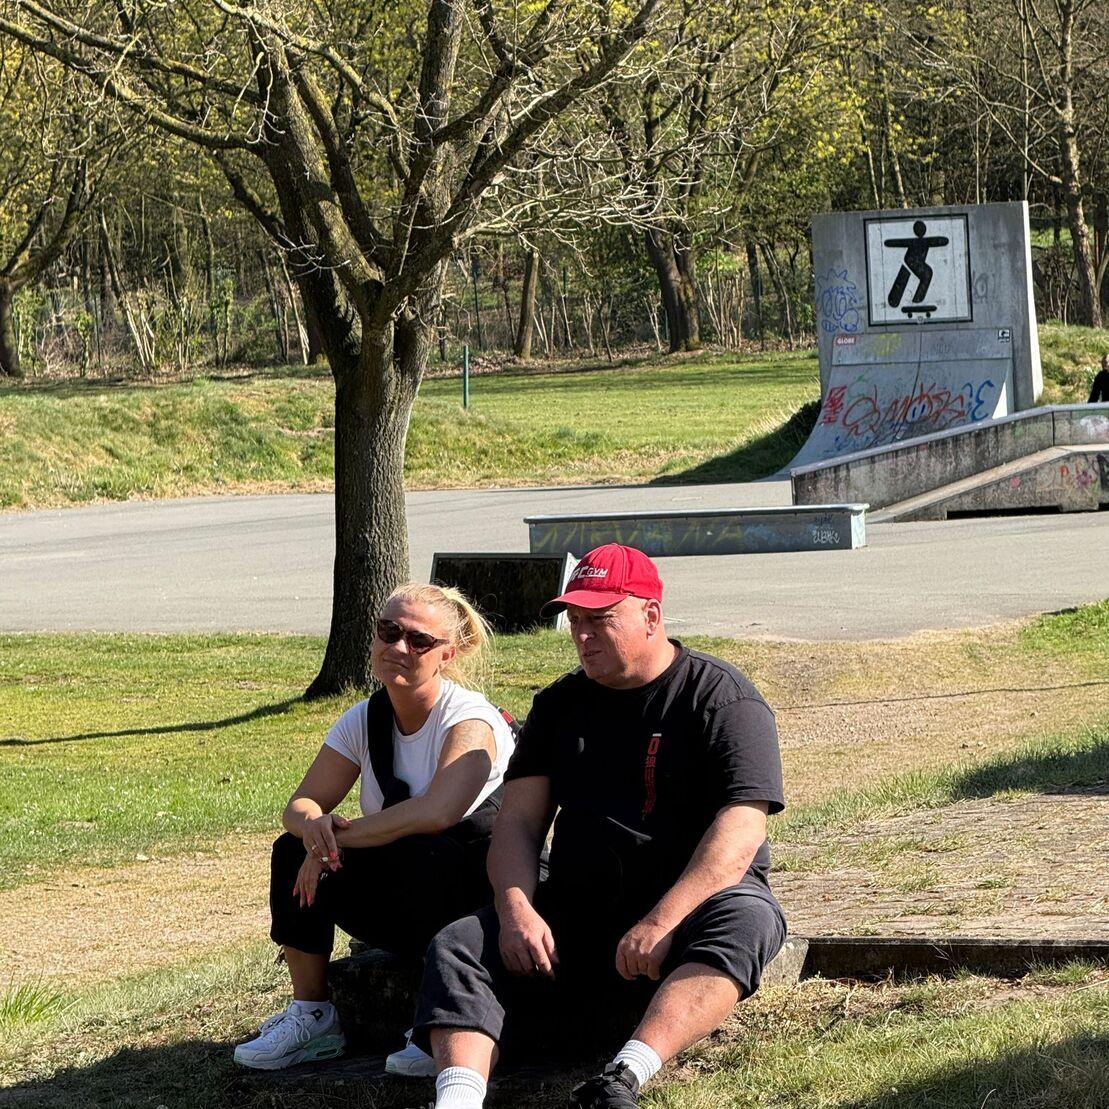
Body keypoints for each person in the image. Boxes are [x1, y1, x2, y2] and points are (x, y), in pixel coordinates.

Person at [408, 544, 787, 1109]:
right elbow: (517, 823)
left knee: (748, 920)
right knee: (459, 945)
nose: (582, 635)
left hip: (691, 906)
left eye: (600, 619)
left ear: (651, 615)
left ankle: (622, 1079)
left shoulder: (721, 698)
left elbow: (740, 833)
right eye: (575, 621)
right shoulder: (558, 706)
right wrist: (516, 911)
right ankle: (458, 1100)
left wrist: (662, 920)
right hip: (583, 906)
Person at [234, 583, 517, 1071]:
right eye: (388, 631)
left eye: (418, 640)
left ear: (447, 654)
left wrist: (330, 841)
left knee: (433, 850)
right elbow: (299, 804)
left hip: (472, 901)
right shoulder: (364, 719)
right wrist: (313, 827)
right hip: (405, 900)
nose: (398, 647)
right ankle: (313, 1016)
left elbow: (437, 812)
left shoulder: (471, 720)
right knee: (289, 850)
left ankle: (439, 1022)